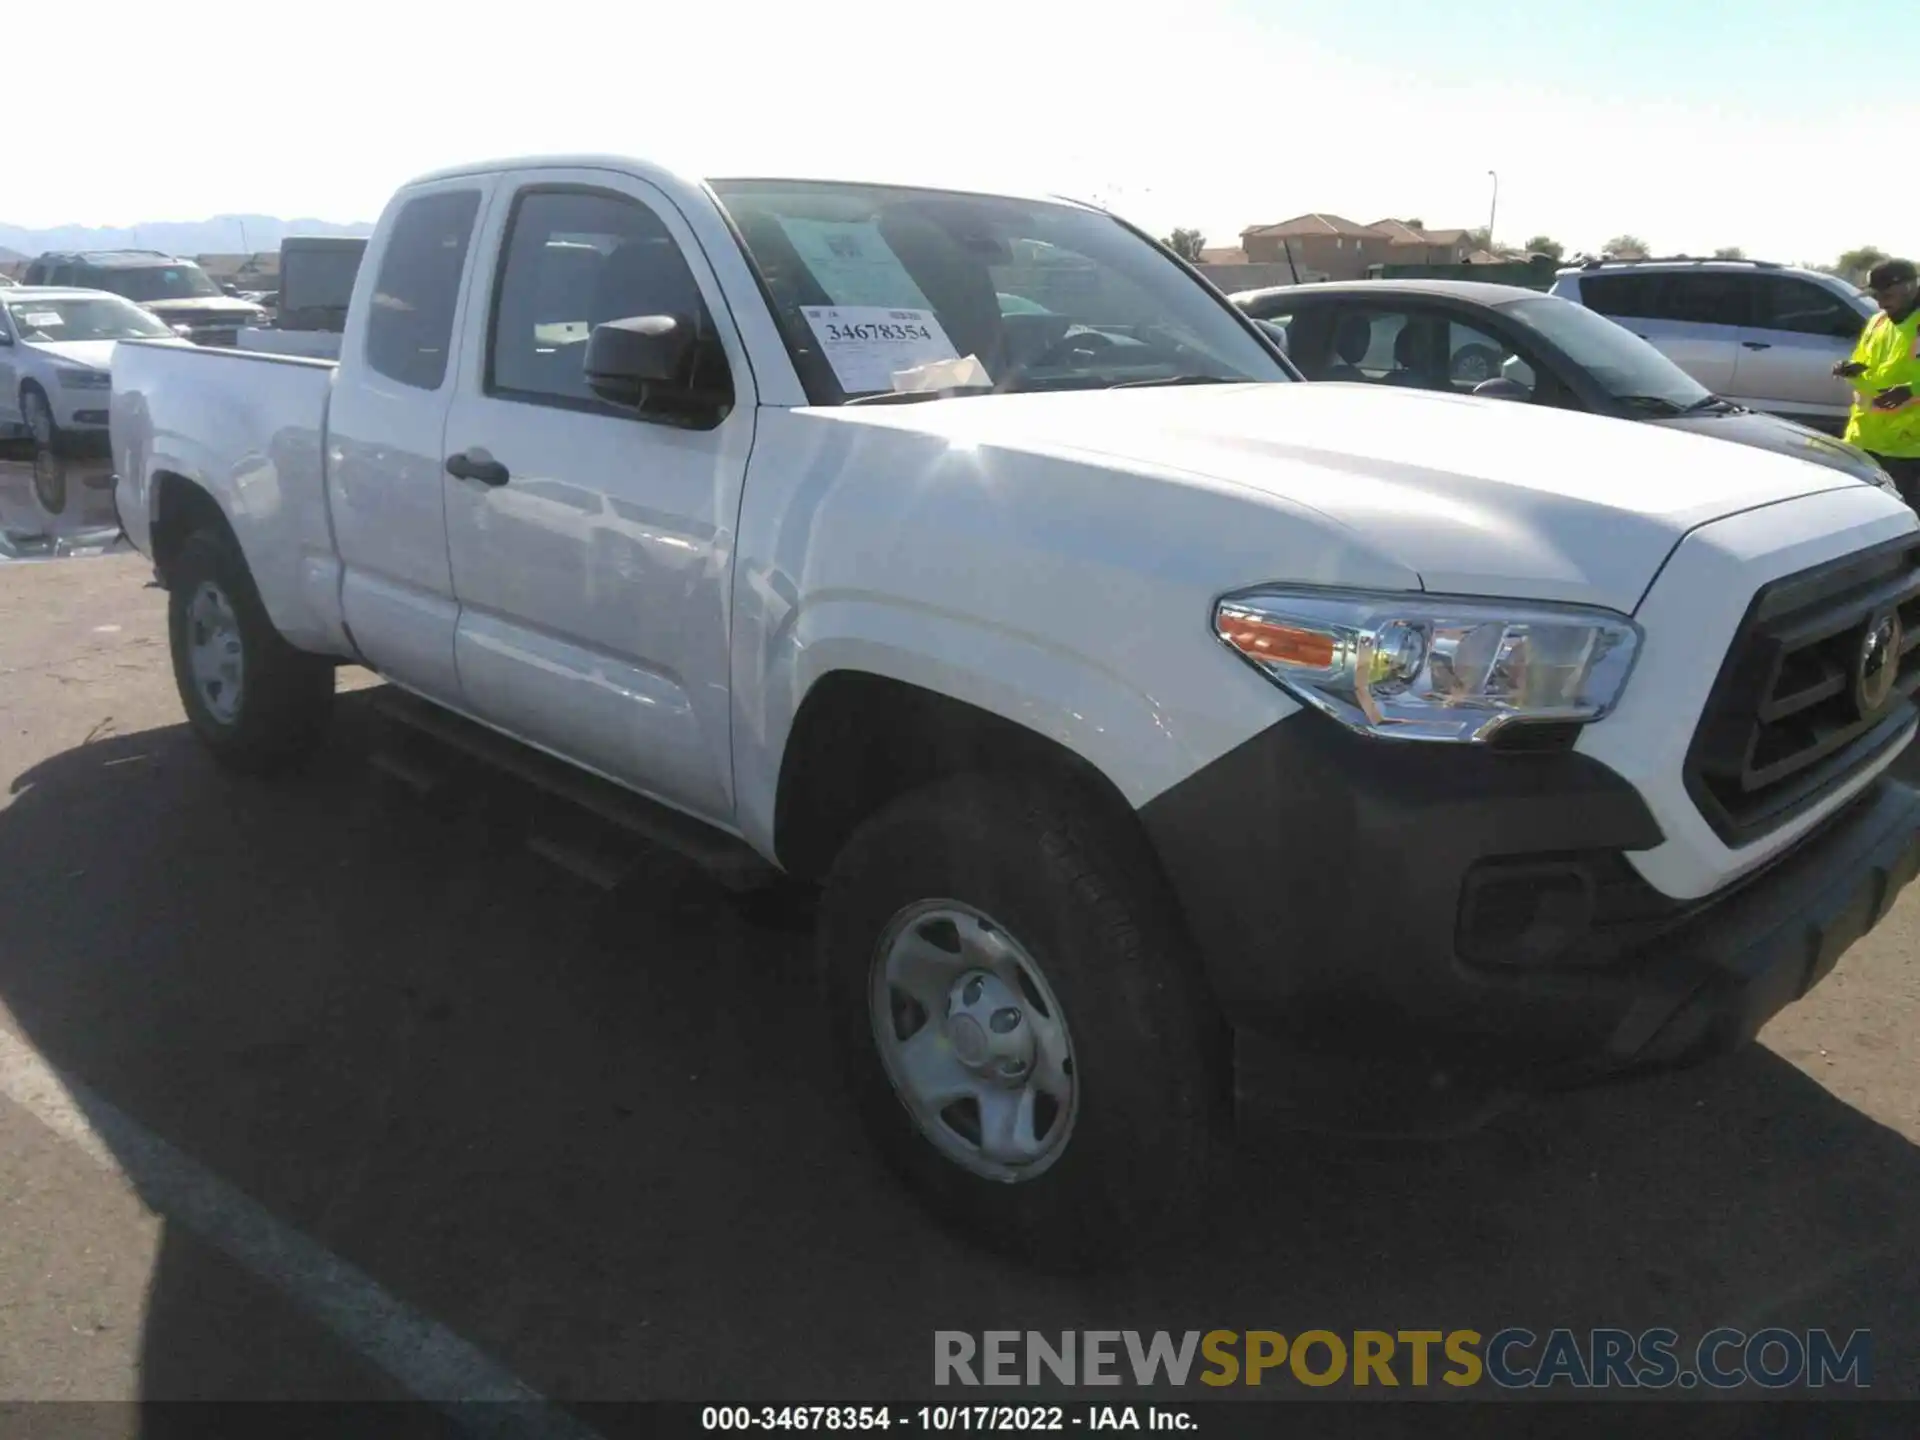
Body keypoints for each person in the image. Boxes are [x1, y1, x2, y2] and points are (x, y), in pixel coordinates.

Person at [1835, 258, 1920, 506]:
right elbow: (1864, 359)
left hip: (1907, 447)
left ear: (1909, 287)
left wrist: (1911, 390)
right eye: (1876, 294)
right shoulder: (1878, 321)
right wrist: (1851, 368)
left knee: (1901, 517)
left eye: (1887, 293)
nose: (1881, 301)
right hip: (1864, 439)